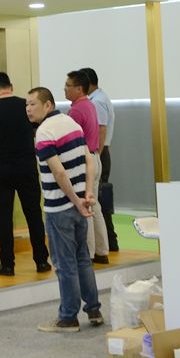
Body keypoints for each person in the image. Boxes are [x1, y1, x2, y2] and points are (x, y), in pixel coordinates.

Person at [25, 86, 103, 332]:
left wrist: (76, 200)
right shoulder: (73, 124)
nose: (28, 109)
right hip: (79, 204)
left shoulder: (44, 132)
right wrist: (86, 194)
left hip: (60, 208)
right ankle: (94, 310)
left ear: (48, 105)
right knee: (83, 259)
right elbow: (89, 160)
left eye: (33, 104)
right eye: (26, 105)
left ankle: (68, 317)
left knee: (65, 263)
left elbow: (58, 172)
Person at [0, 72, 50, 277]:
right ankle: (41, 261)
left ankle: (7, 264)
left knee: (4, 216)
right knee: (33, 213)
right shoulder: (25, 106)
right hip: (27, 167)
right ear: (11, 86)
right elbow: (37, 131)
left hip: (2, 170)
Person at [65, 70, 109, 265]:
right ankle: (102, 250)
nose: (65, 89)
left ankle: (88, 253)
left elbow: (70, 139)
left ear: (79, 89)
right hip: (95, 157)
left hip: (83, 162)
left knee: (85, 206)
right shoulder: (90, 105)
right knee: (94, 205)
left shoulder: (76, 111)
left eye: (68, 85)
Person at [81, 67, 118, 252]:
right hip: (99, 152)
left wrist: (96, 154)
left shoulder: (97, 102)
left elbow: (101, 129)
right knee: (99, 199)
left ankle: (107, 243)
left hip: (98, 152)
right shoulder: (100, 98)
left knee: (97, 200)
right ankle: (108, 243)